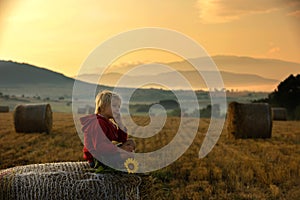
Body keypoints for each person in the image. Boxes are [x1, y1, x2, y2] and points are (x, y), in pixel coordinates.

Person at [80, 90, 133, 169]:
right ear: (103, 106)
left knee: (130, 142)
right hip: (97, 158)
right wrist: (120, 149)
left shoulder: (108, 122)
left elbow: (122, 139)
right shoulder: (98, 123)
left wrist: (120, 124)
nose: (117, 109)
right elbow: (100, 147)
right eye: (114, 106)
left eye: (118, 107)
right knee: (127, 155)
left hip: (104, 153)